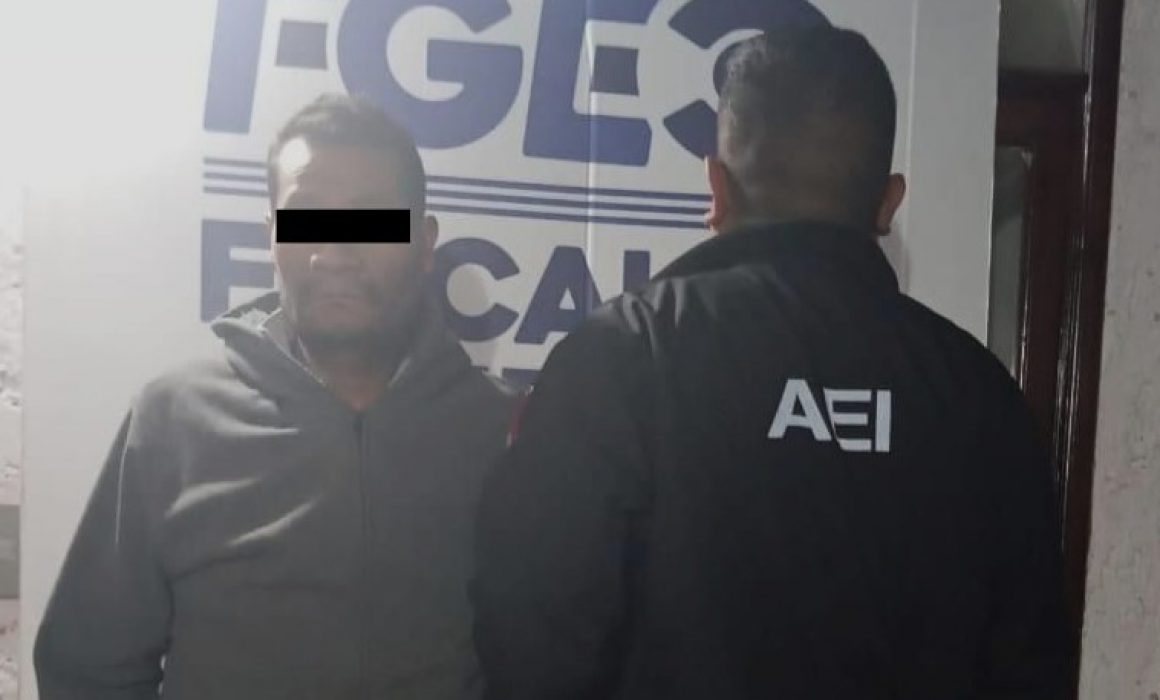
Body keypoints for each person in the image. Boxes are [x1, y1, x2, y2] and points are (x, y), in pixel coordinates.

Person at [473, 26, 1068, 699]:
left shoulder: (618, 359)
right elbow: (1032, 666)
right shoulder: (980, 396)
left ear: (716, 187)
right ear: (887, 202)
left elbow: (529, 643)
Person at [35, 94, 518, 700]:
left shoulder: (501, 432)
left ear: (425, 245)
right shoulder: (174, 420)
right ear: (271, 236)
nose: (334, 252)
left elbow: (550, 654)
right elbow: (89, 670)